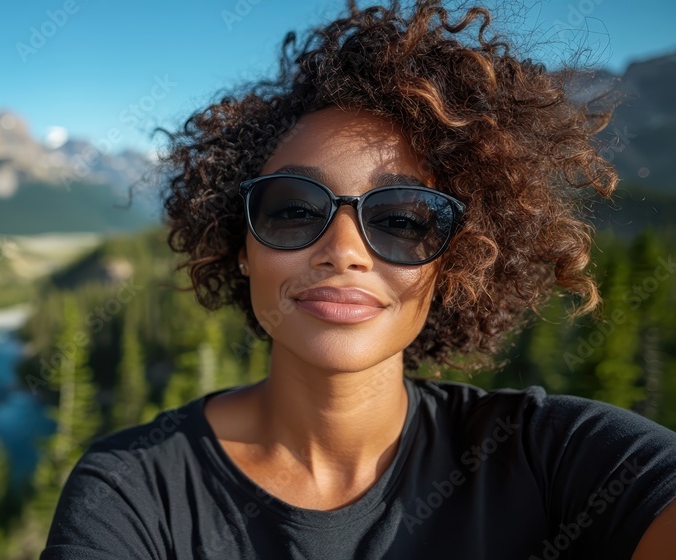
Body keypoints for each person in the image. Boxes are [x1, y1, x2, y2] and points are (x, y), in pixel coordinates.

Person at [40, 1, 676, 558]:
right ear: (240, 247)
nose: (343, 251)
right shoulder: (131, 490)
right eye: (293, 209)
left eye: (402, 219)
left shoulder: (556, 457)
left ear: (454, 261)